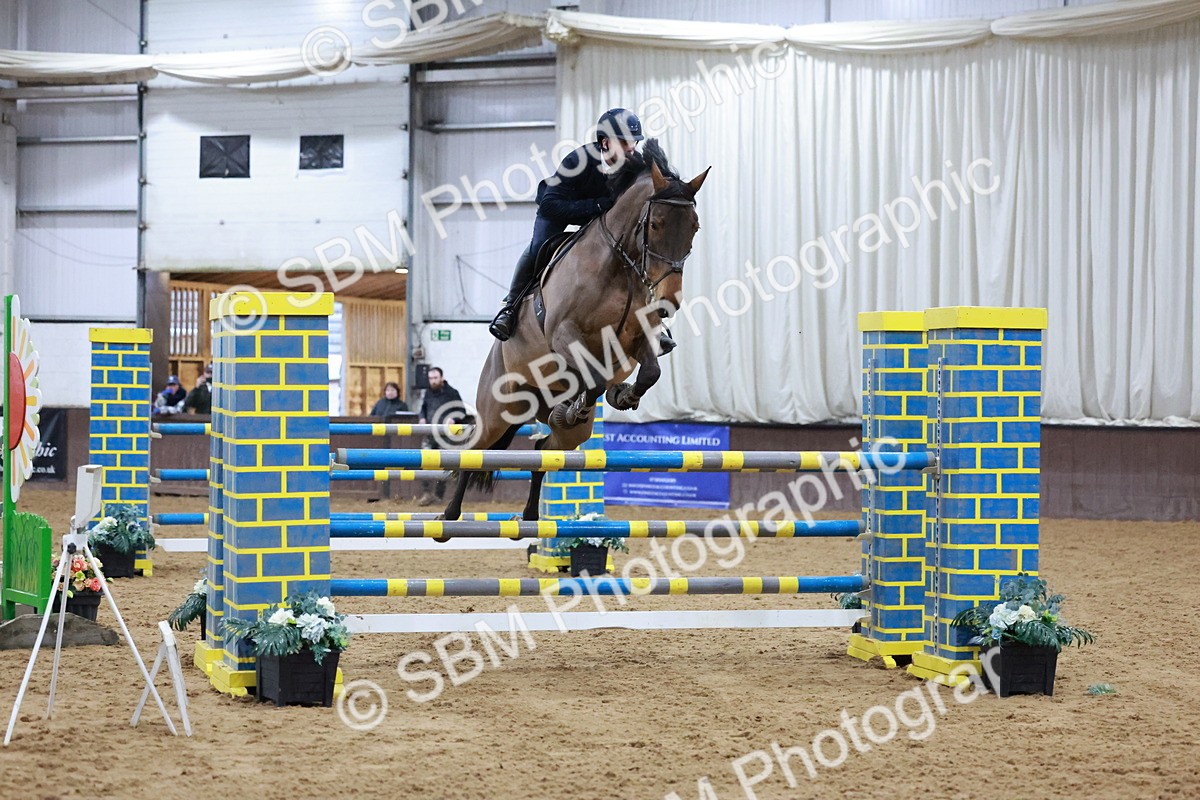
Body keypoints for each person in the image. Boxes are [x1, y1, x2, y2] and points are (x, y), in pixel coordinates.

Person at [488, 108, 646, 342]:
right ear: (604, 143)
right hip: (558, 209)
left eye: (633, 142)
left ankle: (651, 321)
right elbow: (552, 205)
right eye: (623, 142)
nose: (631, 148)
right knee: (538, 247)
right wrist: (600, 206)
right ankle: (510, 308)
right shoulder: (577, 161)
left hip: (600, 215)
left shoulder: (635, 165)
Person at [416, 367, 464, 506]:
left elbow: (461, 411)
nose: (433, 381)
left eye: (435, 378)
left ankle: (438, 495)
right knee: (424, 462)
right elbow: (423, 409)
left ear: (441, 378)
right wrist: (422, 418)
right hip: (430, 434)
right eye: (431, 379)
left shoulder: (452, 393)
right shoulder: (428, 393)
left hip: (445, 435)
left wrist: (453, 419)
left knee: (444, 464)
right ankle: (427, 493)